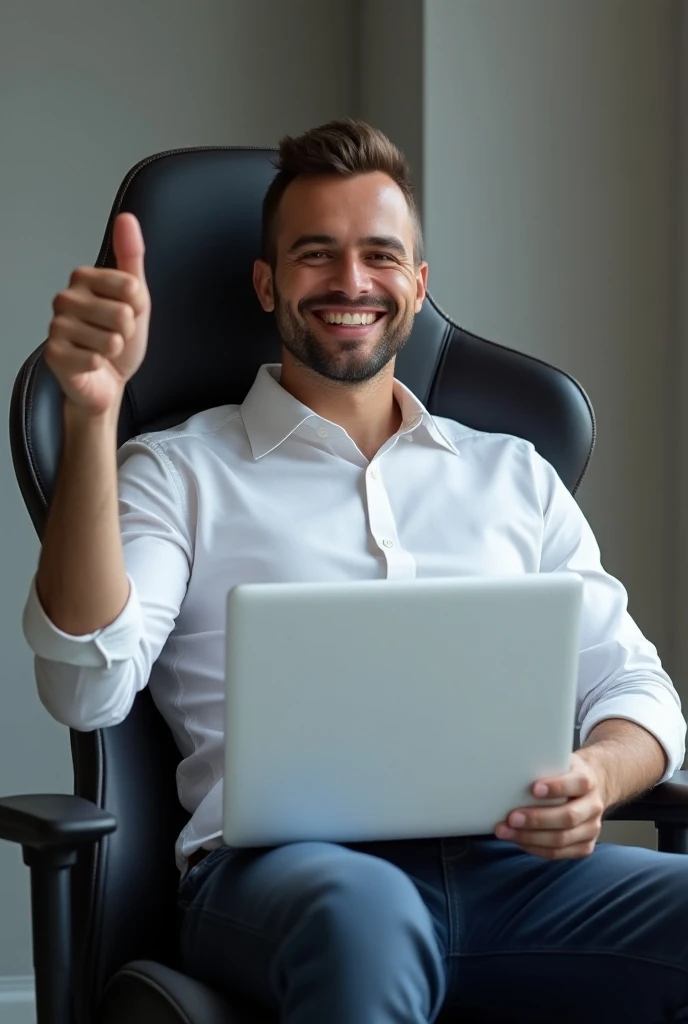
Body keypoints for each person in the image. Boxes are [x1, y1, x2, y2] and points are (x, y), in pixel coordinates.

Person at [22, 119, 688, 1023]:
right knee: (366, 919)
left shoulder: (513, 475)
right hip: (286, 880)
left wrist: (599, 779)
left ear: (416, 286)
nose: (350, 282)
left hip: (512, 873)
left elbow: (638, 690)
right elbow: (85, 685)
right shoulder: (177, 471)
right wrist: (94, 419)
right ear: (267, 283)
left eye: (380, 255)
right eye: (314, 254)